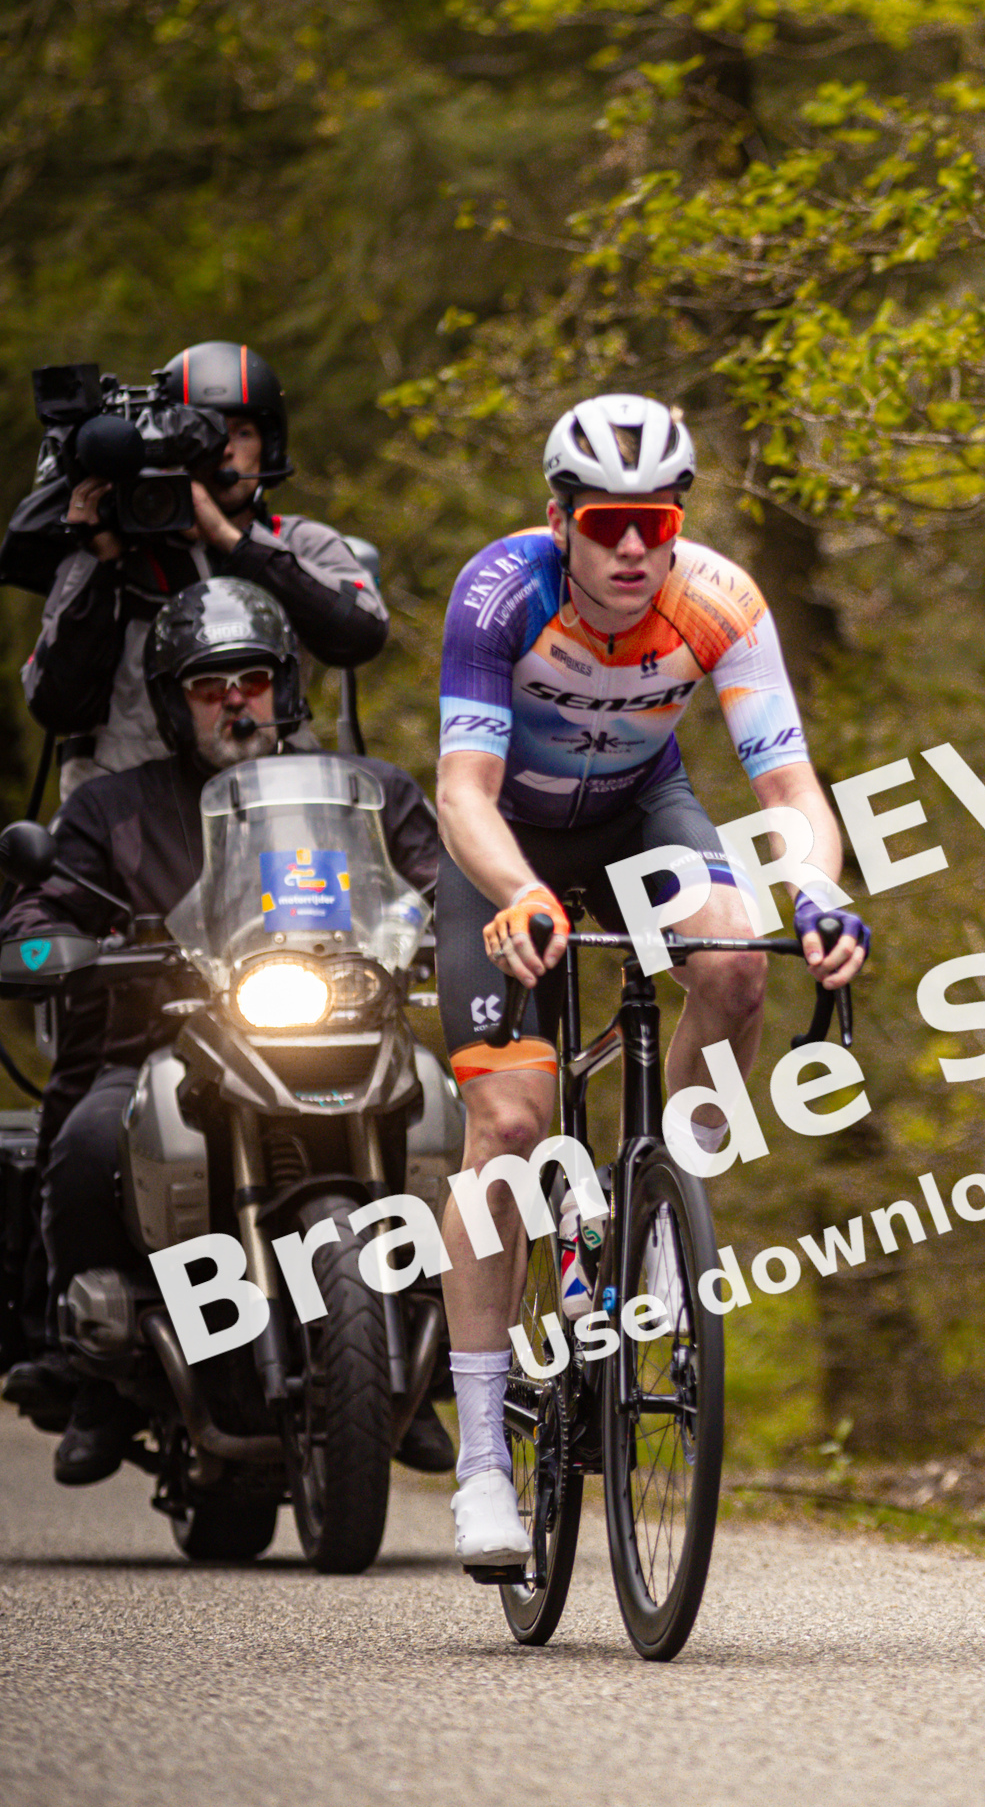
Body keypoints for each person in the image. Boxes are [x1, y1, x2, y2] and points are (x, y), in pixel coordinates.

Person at [433, 393, 867, 1572]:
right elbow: (462, 791)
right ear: (562, 519)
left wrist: (817, 896)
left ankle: (659, 1200)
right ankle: (481, 1460)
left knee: (732, 965)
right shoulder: (500, 594)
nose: (633, 548)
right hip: (506, 846)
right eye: (608, 523)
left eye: (655, 522)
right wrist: (521, 894)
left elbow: (788, 794)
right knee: (509, 1127)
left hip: (638, 817)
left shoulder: (719, 601)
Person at [6, 579, 443, 1486]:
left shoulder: (370, 795)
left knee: (452, 1118)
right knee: (91, 1138)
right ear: (173, 702)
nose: (236, 700)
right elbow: (53, 897)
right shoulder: (112, 810)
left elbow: (439, 880)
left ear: (285, 687)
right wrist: (39, 936)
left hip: (344, 1037)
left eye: (252, 679)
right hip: (157, 1045)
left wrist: (470, 921)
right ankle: (104, 1379)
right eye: (211, 686)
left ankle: (421, 1366)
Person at [20, 341, 388, 801]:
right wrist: (104, 560)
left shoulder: (298, 542)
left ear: (269, 445)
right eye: (209, 437)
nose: (225, 452)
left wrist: (231, 540)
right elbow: (58, 706)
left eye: (242, 433)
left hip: (279, 807)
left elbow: (361, 634)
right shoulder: (109, 555)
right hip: (135, 823)